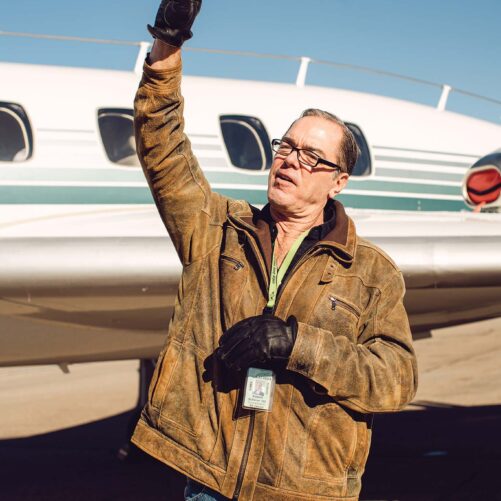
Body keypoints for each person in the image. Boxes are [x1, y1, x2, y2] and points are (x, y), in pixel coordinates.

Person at [131, 1, 418, 500]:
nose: (289, 161)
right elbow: (162, 147)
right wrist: (168, 44)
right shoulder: (216, 229)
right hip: (209, 483)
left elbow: (395, 379)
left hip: (303, 491)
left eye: (311, 157)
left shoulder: (371, 272)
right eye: (285, 147)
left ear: (338, 181)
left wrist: (296, 344)